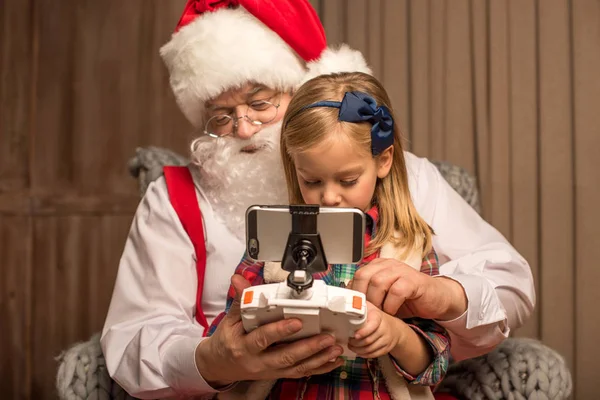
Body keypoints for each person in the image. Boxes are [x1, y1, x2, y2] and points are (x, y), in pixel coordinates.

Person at [100, 0, 535, 398]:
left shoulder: (404, 177)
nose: (245, 129)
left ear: (302, 90)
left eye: (260, 102)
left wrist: (438, 294)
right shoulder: (171, 199)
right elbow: (131, 339)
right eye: (221, 115)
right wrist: (215, 358)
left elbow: (509, 285)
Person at [206, 71, 451, 399]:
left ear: (384, 160)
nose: (330, 197)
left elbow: (435, 362)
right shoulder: (272, 241)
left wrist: (396, 335)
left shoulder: (410, 245)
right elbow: (231, 343)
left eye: (348, 180)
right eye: (312, 181)